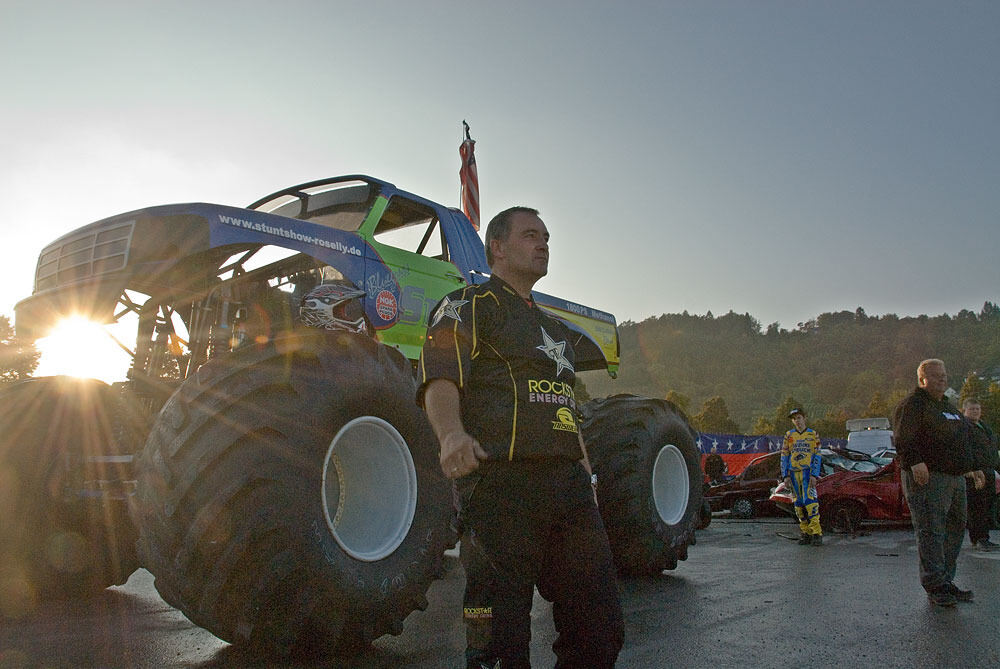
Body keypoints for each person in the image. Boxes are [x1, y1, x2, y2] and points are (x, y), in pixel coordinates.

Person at [417, 207, 624, 668]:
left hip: (568, 489)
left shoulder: (558, 331)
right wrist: (450, 434)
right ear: (497, 246)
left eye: (547, 236)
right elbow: (440, 376)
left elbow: (564, 404)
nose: (543, 243)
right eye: (531, 235)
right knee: (496, 636)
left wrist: (585, 465)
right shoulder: (465, 305)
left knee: (600, 626)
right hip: (499, 486)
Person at [893, 359, 984, 607]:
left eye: (944, 375)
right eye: (935, 376)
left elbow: (962, 439)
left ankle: (946, 580)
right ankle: (935, 586)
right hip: (929, 478)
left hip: (955, 479)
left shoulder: (948, 407)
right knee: (931, 530)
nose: (942, 379)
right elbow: (903, 438)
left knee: (955, 530)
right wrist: (915, 461)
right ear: (922, 379)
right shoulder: (913, 404)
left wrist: (973, 467)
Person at [780, 408, 823, 545]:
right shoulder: (788, 435)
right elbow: (784, 456)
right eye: (794, 419)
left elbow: (817, 455)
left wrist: (814, 475)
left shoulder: (813, 434)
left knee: (810, 503)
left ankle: (817, 533)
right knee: (798, 505)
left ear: (804, 418)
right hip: (793, 473)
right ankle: (805, 533)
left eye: (798, 418)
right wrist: (785, 475)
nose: (796, 421)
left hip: (807, 473)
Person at [962, 398, 999, 551]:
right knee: (977, 507)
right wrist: (971, 470)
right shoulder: (964, 427)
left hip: (989, 471)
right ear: (964, 410)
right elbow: (965, 450)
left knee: (988, 506)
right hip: (976, 473)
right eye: (972, 409)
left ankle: (985, 537)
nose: (975, 411)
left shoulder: (984, 426)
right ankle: (978, 538)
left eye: (977, 409)